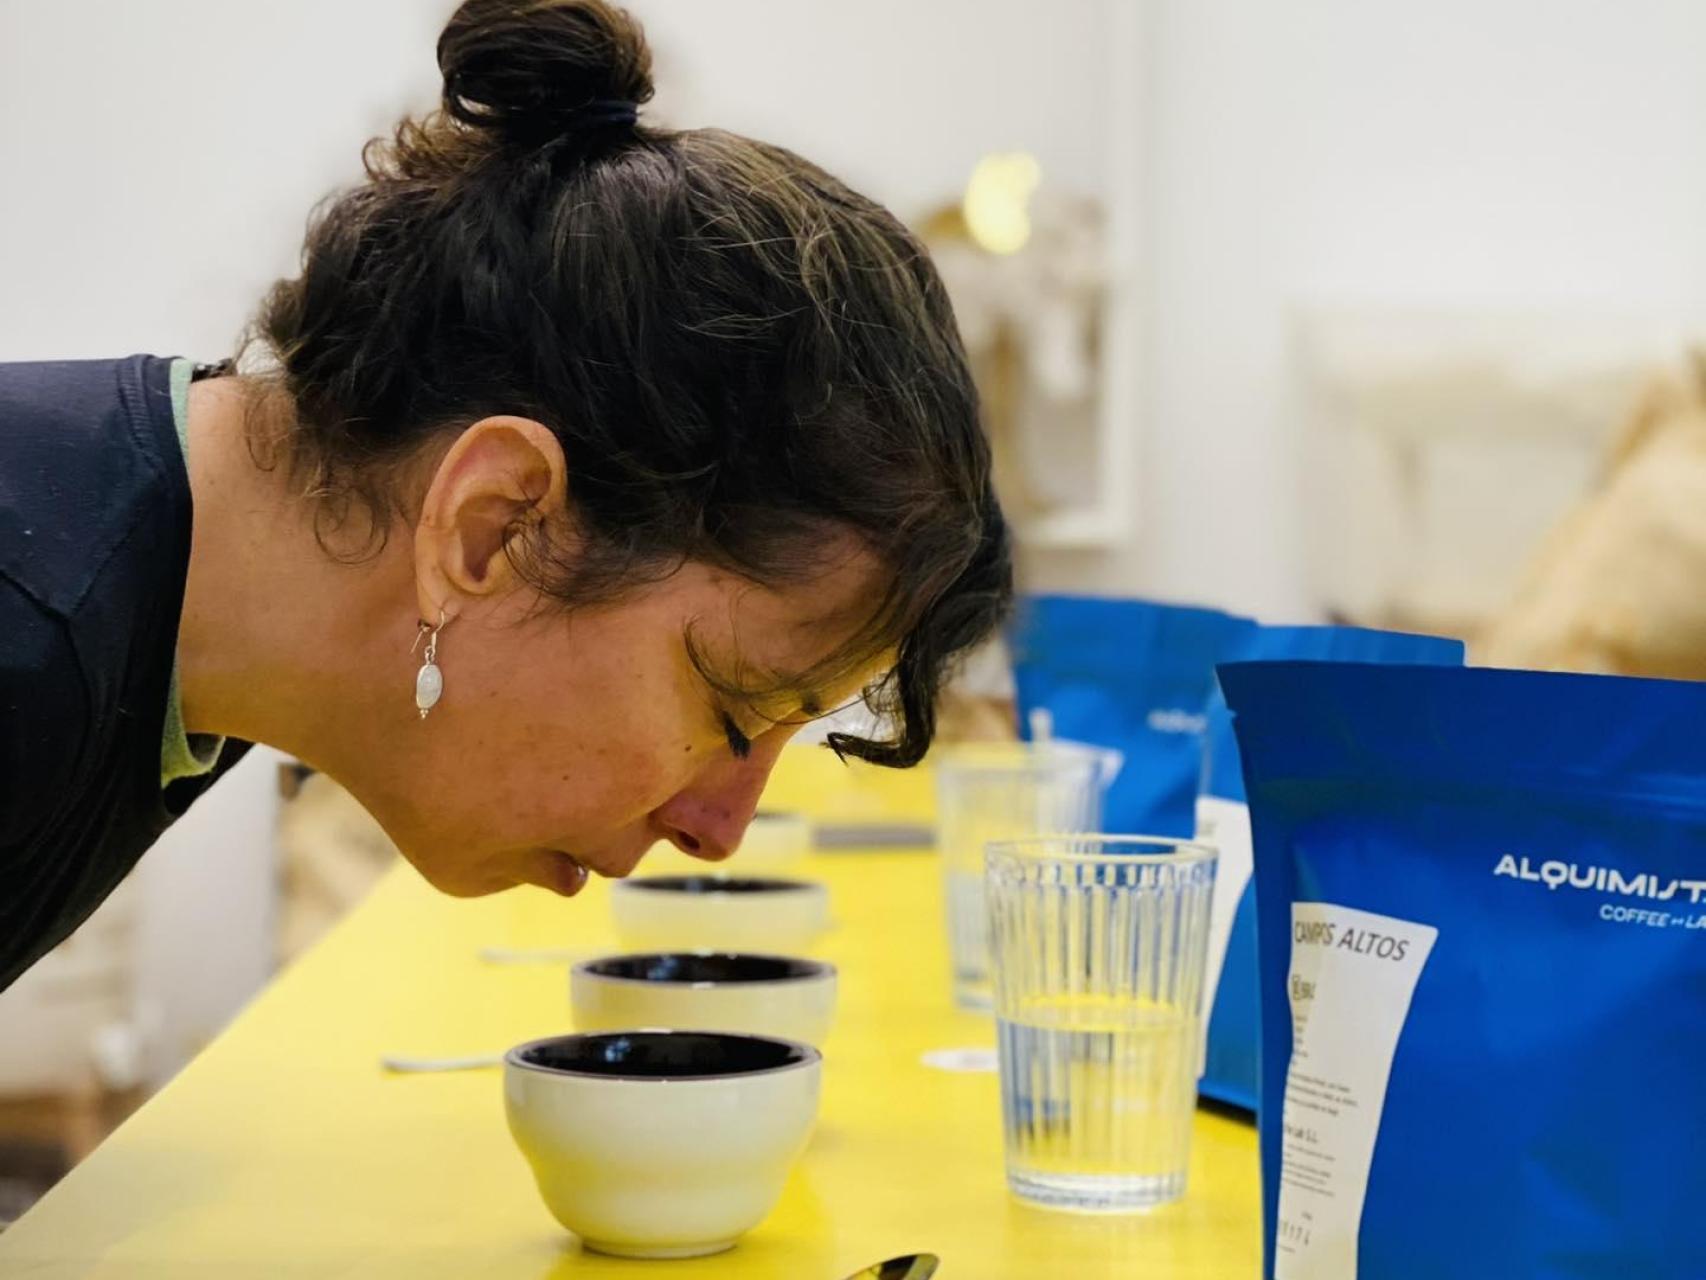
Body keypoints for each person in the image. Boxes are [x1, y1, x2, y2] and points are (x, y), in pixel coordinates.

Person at [0, 0, 1011, 992]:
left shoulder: (163, 612)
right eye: (734, 715)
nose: (718, 829)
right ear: (494, 527)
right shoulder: (26, 635)